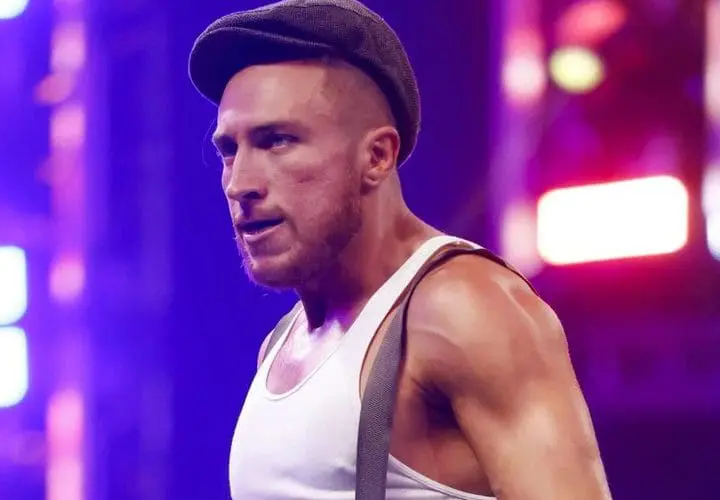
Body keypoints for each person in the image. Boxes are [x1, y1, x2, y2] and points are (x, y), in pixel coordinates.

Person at [188, 1, 612, 498]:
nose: (239, 183)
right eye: (229, 150)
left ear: (377, 156)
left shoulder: (464, 309)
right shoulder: (281, 345)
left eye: (277, 141)